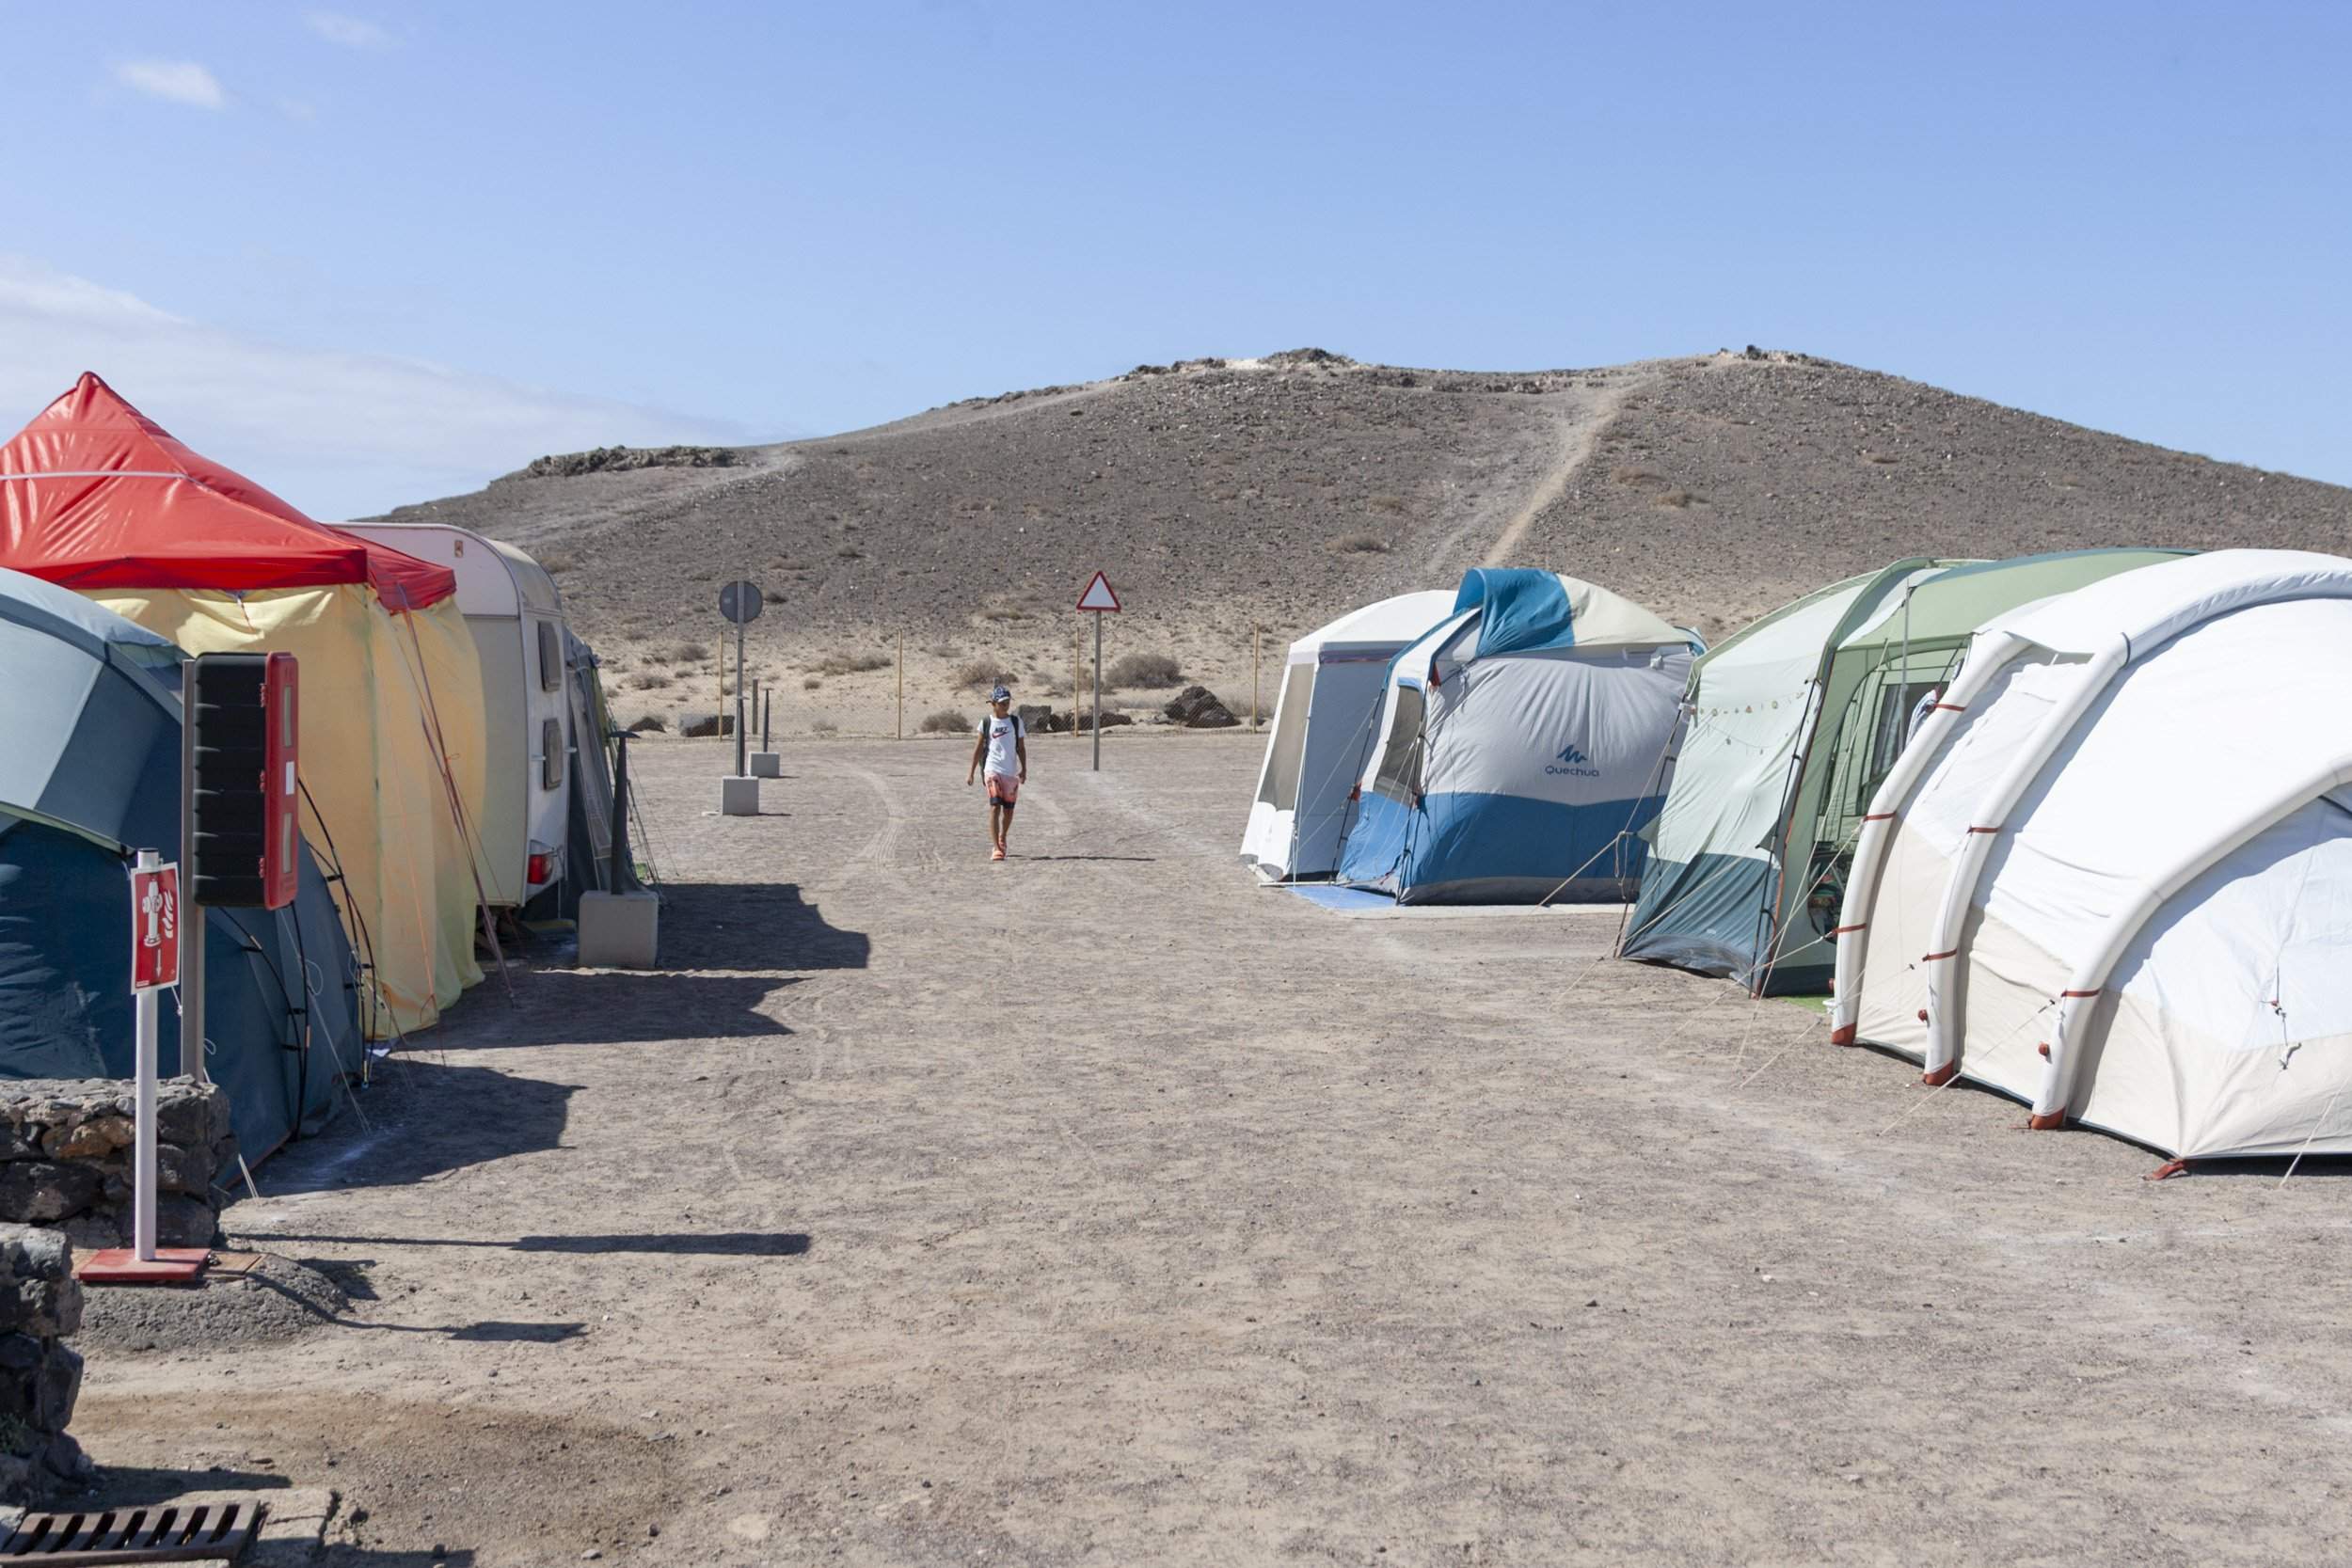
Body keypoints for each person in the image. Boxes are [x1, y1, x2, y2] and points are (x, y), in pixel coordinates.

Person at [965, 685, 1028, 861]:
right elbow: (978, 749)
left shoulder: (1016, 723)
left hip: (1010, 772)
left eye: (1007, 702)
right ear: (993, 704)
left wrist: (1024, 769)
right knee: (995, 806)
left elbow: (1021, 748)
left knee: (1008, 811)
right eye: (1002, 703)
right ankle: (996, 847)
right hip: (991, 769)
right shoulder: (986, 723)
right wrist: (970, 772)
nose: (1006, 705)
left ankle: (1003, 836)